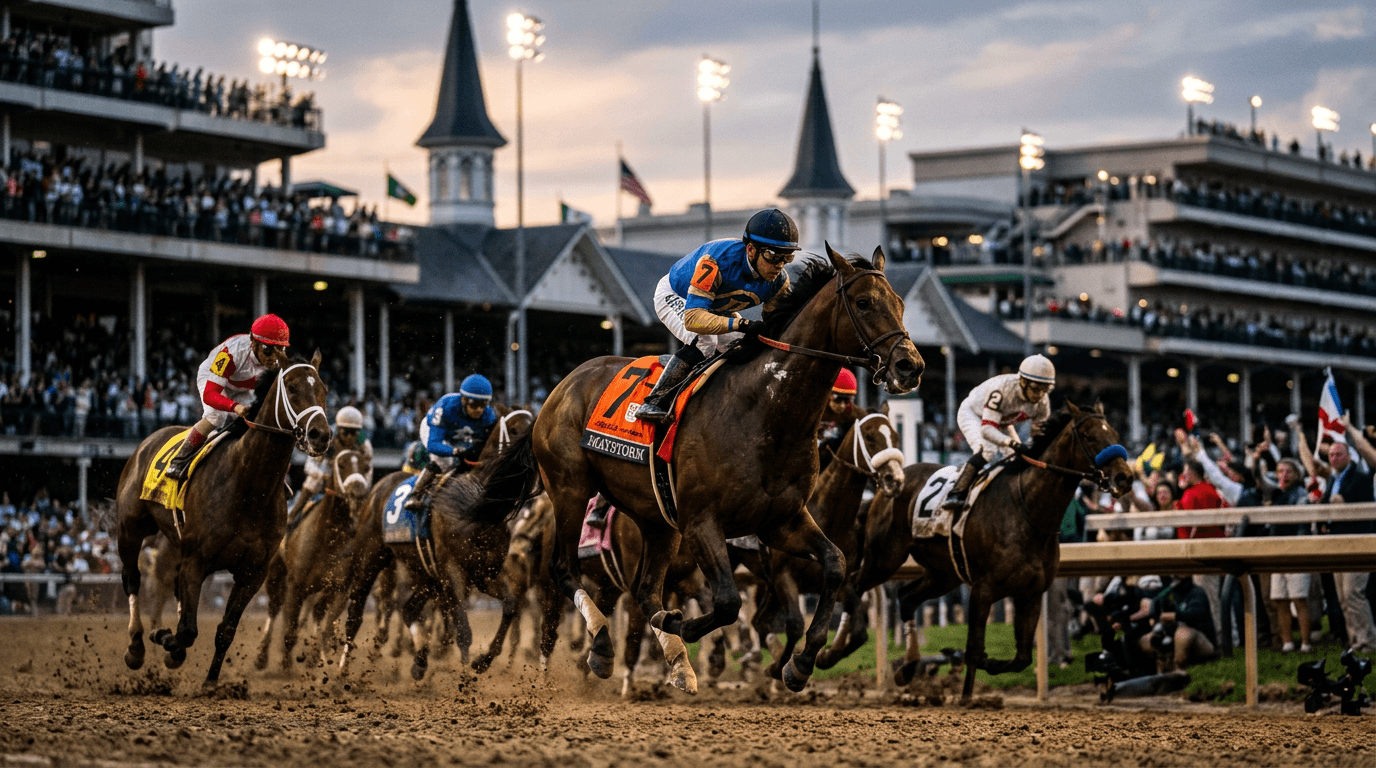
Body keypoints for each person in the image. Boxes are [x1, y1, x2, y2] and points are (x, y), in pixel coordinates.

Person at [635, 208, 799, 424]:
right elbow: (693, 319)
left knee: (748, 347)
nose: (779, 265)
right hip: (677, 296)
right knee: (705, 341)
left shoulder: (779, 281)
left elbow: (774, 328)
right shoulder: (716, 262)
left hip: (714, 308)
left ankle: (692, 375)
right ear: (751, 250)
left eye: (787, 257)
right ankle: (654, 401)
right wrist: (741, 323)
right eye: (773, 256)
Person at [165, 313, 290, 480]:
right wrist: (234, 407)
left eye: (279, 350)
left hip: (243, 386)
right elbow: (210, 394)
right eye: (268, 350)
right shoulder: (231, 352)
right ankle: (179, 460)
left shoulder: (279, 362)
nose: (274, 358)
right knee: (216, 416)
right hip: (214, 380)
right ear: (253, 343)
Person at [941, 354, 1055, 513]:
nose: (1039, 395)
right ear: (1023, 382)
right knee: (988, 450)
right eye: (1035, 388)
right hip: (975, 414)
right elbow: (987, 430)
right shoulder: (1003, 390)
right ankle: (956, 492)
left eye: (1045, 389)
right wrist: (1012, 443)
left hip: (1001, 421)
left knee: (1017, 457)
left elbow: (1038, 438)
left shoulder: (1043, 403)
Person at [404, 374, 497, 513]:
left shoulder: (488, 415)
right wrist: (453, 451)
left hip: (459, 435)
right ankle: (415, 494)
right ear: (464, 400)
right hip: (436, 432)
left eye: (483, 404)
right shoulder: (446, 407)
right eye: (474, 404)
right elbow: (433, 444)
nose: (479, 409)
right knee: (444, 462)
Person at [1317, 440, 1376, 653]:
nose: (1333, 458)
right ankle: (1355, 641)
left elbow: (1367, 503)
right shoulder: (1332, 479)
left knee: (1354, 594)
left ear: (1348, 456)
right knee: (1343, 597)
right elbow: (1325, 504)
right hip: (1337, 540)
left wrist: (1346, 502)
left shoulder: (1361, 478)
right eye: (1331, 455)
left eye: (1338, 454)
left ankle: (1367, 641)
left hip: (1356, 541)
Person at [288, 405, 373, 523]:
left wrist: (364, 486)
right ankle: (293, 515)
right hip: (328, 474)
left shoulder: (364, 444)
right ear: (338, 429)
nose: (350, 437)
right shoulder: (327, 440)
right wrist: (322, 475)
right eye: (346, 432)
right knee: (313, 481)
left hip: (350, 478)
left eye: (354, 433)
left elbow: (369, 469)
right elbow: (309, 465)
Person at [817, 368, 865, 471]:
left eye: (847, 400)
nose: (842, 405)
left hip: (835, 462)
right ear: (827, 395)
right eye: (837, 399)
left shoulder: (855, 413)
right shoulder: (814, 410)